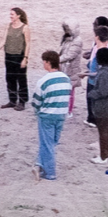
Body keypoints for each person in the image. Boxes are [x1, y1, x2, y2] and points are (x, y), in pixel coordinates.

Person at [31, 50, 72, 180]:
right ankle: (39, 164)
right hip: (61, 114)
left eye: (44, 62)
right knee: (52, 142)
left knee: (47, 143)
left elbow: (36, 101)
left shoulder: (43, 81)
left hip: (47, 115)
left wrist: (37, 112)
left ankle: (49, 172)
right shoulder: (66, 79)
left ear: (48, 63)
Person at [87, 47, 108, 164]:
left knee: (103, 131)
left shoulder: (104, 74)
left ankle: (103, 157)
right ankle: (106, 154)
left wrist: (91, 94)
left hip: (104, 106)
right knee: (107, 130)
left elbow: (103, 91)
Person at [83, 25, 108, 128]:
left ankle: (96, 120)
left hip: (100, 80)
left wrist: (89, 73)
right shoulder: (96, 48)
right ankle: (92, 118)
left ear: (97, 37)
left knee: (100, 100)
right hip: (92, 79)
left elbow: (104, 70)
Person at [1, 7, 31, 110]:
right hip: (8, 55)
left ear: (18, 16)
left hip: (19, 56)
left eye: (12, 14)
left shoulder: (25, 27)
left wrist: (25, 58)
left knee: (21, 79)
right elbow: (3, 40)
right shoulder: (9, 26)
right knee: (10, 78)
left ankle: (22, 101)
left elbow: (28, 44)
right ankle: (12, 100)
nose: (10, 16)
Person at [58, 19, 84, 114]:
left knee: (70, 91)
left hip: (72, 70)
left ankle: (69, 111)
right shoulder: (67, 39)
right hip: (65, 68)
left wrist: (57, 59)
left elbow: (70, 55)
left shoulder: (77, 41)